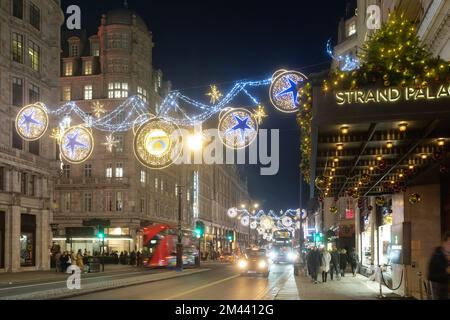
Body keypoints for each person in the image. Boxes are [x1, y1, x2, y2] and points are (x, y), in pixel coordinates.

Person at [427, 232, 449, 300]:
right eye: (449, 243)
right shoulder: (437, 254)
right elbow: (435, 272)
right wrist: (446, 270)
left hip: (445, 285)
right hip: (436, 285)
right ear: (444, 243)